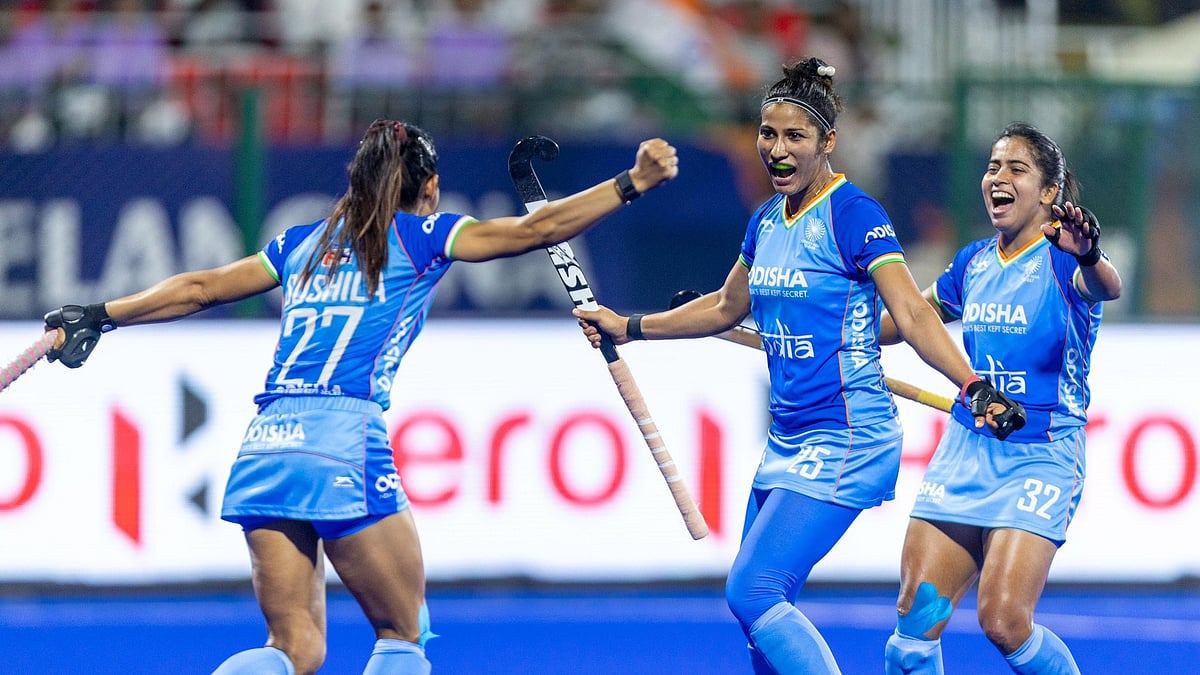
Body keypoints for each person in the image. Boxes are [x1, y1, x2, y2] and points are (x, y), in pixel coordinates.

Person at [41, 119, 679, 675]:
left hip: (266, 442)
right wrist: (631, 184)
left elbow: (202, 286)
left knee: (292, 648)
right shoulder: (422, 236)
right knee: (404, 635)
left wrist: (100, 313)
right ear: (427, 189)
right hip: (343, 438)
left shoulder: (301, 243)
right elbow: (532, 232)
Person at [573, 57, 1021, 674]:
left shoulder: (854, 215)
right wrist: (630, 326)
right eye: (767, 134)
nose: (776, 150)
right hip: (789, 437)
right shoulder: (765, 220)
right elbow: (728, 306)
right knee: (760, 612)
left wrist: (972, 385)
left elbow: (915, 317)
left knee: (751, 593)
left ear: (827, 142)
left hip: (849, 435)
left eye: (794, 137)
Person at [880, 122, 1122, 675]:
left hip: (1040, 456)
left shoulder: (1066, 261)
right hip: (966, 452)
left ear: (1049, 194)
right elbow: (907, 321)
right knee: (910, 636)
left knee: (1005, 621)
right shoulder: (973, 263)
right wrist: (834, 331)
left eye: (1017, 169)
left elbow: (1106, 285)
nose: (999, 178)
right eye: (993, 167)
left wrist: (1088, 254)